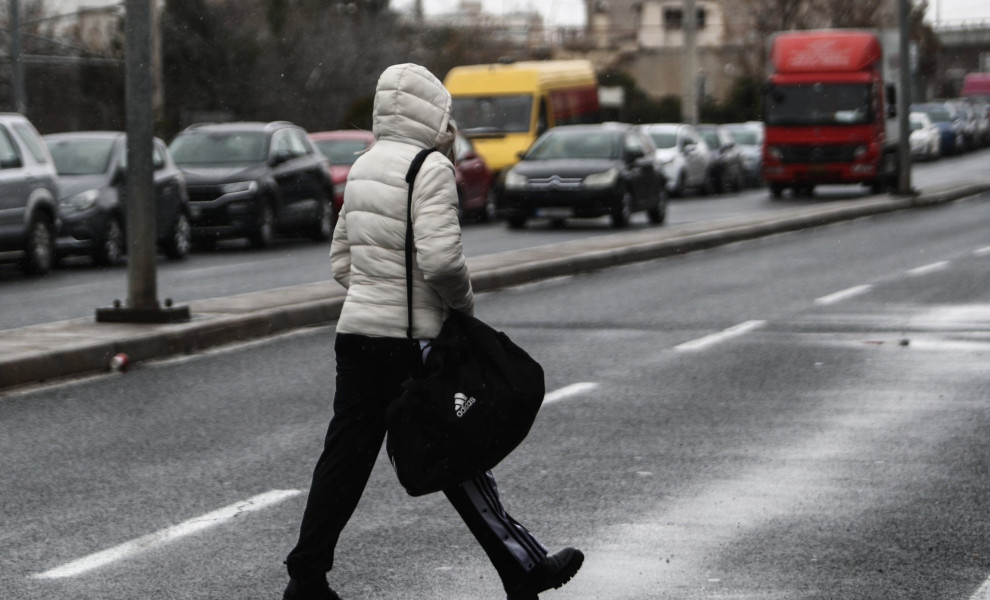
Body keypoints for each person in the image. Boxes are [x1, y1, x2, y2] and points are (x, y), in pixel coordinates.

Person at [282, 63, 584, 600]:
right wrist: (460, 310)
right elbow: (443, 263)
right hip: (410, 340)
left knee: (345, 458)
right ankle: (523, 566)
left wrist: (376, 290)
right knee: (456, 447)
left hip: (356, 337)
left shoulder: (364, 166)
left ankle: (307, 576)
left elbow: (340, 262)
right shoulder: (430, 168)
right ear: (432, 111)